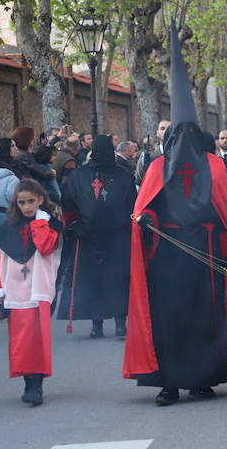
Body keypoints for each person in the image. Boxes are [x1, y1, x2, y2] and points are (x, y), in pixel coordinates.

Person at [124, 23, 227, 405]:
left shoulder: (213, 166)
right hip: (167, 257)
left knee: (206, 318)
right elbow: (142, 212)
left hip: (207, 256)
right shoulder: (158, 169)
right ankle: (170, 381)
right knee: (169, 319)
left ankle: (204, 377)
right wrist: (147, 223)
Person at [0, 179, 63, 406]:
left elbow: (45, 247)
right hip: (14, 290)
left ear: (40, 200)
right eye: (22, 202)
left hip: (38, 289)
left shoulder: (50, 224)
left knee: (38, 339)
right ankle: (28, 383)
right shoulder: (6, 228)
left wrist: (40, 223)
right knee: (20, 340)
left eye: (31, 201)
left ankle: (36, 387)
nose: (27, 207)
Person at [58, 135, 136, 338]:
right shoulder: (78, 175)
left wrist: (127, 224)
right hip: (87, 236)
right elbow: (68, 203)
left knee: (118, 280)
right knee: (93, 281)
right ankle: (97, 324)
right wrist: (75, 224)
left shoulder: (123, 174)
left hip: (117, 236)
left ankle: (121, 323)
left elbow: (132, 205)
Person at [135, 120, 171, 186]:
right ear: (157, 133)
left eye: (169, 128)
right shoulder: (148, 156)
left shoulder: (180, 154)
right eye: (162, 128)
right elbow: (138, 181)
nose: (166, 131)